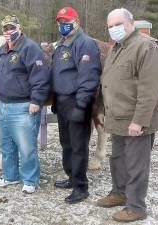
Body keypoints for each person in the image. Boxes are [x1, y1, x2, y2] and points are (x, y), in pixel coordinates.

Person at [95, 8, 158, 222]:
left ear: (130, 22)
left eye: (118, 24)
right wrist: (103, 111)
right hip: (116, 118)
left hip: (136, 121)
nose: (114, 29)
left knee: (136, 164)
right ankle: (119, 193)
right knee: (118, 160)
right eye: (110, 26)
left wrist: (139, 121)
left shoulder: (146, 47)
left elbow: (149, 90)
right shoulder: (117, 48)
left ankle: (136, 207)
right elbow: (110, 83)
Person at [0, 15, 50, 194]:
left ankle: (30, 179)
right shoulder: (1, 51)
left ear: (19, 28)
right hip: (2, 105)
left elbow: (40, 76)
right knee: (6, 145)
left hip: (22, 106)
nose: (8, 31)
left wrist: (37, 100)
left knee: (26, 146)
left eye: (11, 27)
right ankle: (10, 175)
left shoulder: (30, 48)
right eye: (5, 28)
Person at [51, 6, 101, 204]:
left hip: (77, 101)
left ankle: (81, 187)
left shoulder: (85, 44)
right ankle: (71, 177)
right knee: (67, 143)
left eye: (67, 22)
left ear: (77, 22)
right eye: (60, 22)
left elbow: (88, 78)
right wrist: (56, 100)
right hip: (63, 101)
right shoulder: (63, 44)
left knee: (79, 146)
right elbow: (60, 74)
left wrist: (81, 106)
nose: (63, 26)